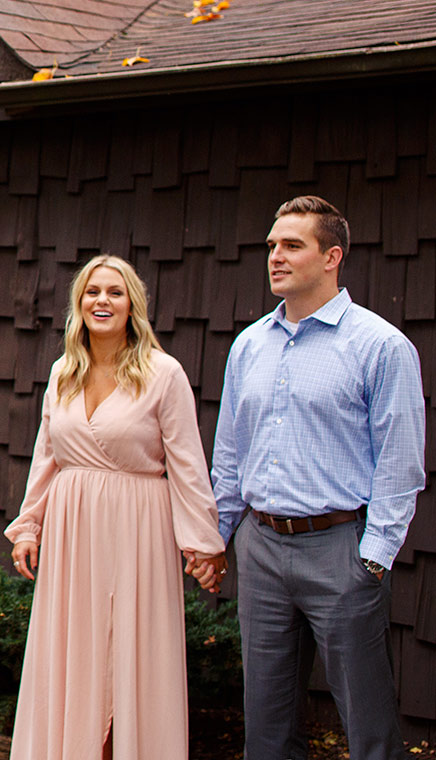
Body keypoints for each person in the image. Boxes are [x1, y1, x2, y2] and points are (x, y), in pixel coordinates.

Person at [204, 196, 426, 760]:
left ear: (332, 257)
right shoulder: (249, 346)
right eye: (272, 245)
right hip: (260, 550)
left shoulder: (380, 346)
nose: (275, 256)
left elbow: (401, 464)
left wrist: (372, 558)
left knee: (369, 728)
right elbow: (230, 454)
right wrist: (217, 537)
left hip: (340, 550)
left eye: (292, 245)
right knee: (267, 728)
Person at [5, 254, 222, 760]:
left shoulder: (163, 374)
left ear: (132, 306)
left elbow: (187, 464)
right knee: (74, 656)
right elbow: (47, 456)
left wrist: (202, 544)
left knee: (130, 657)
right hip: (72, 533)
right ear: (79, 304)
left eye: (115, 292)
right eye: (93, 291)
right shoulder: (63, 372)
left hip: (137, 530)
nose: (102, 300)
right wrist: (29, 525)